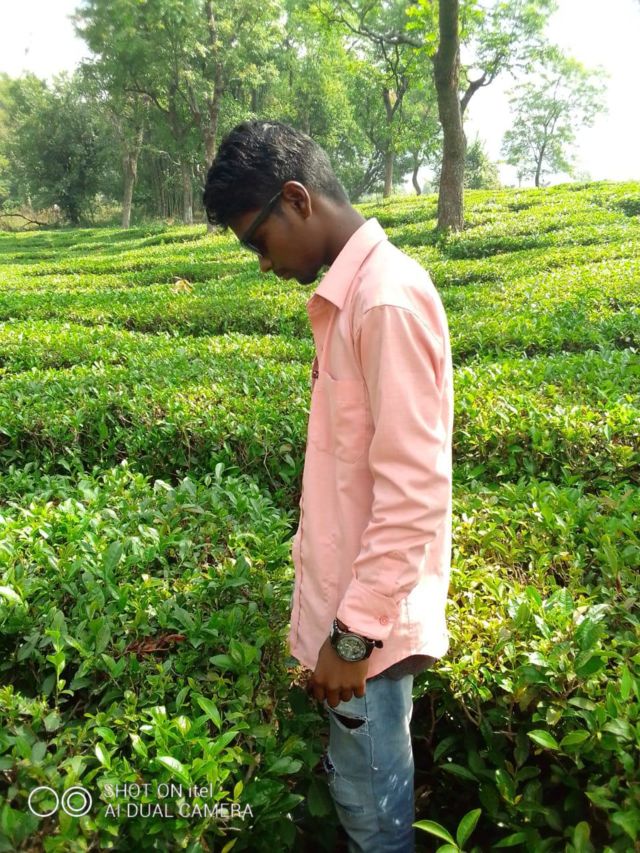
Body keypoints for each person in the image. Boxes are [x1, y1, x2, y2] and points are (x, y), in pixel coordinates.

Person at [202, 119, 454, 853]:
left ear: (296, 199)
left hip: (365, 638)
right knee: (361, 794)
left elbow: (414, 490)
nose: (263, 264)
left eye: (258, 241)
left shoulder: (384, 301)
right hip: (353, 624)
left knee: (374, 819)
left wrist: (351, 636)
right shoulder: (354, 299)